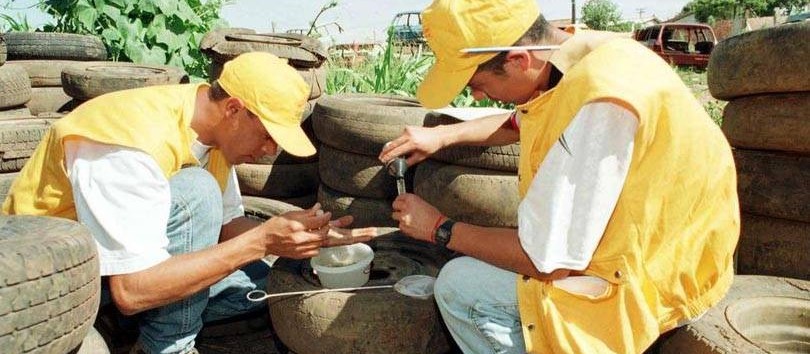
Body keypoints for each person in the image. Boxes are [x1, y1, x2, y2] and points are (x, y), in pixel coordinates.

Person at [379, 0, 740, 353]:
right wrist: (441, 136)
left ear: (518, 60)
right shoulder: (578, 51)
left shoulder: (598, 102)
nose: (475, 95)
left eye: (476, 82)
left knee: (460, 285)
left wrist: (438, 228)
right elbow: (524, 119)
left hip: (658, 279)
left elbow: (546, 262)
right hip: (680, 245)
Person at [3, 52, 376, 354]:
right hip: (57, 280)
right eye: (266, 135)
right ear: (233, 109)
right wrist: (262, 242)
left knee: (273, 284)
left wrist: (303, 239)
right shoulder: (127, 140)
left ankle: (123, 328)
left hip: (130, 264)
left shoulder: (210, 134)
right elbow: (132, 290)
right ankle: (167, 345)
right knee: (199, 192)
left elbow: (227, 227)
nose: (269, 151)